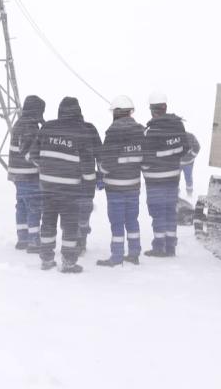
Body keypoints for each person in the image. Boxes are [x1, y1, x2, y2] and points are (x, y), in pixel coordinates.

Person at [26, 97, 100, 273]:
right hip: (70, 189)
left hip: (48, 187)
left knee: (48, 222)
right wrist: (89, 189)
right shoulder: (81, 131)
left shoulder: (47, 128)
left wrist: (47, 168)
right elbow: (88, 165)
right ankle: (68, 261)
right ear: (78, 111)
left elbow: (32, 155)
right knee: (70, 225)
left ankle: (46, 259)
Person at [95, 95, 145, 267]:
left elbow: (106, 163)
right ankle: (134, 253)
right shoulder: (140, 131)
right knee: (132, 220)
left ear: (115, 113)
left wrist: (101, 172)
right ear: (130, 112)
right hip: (133, 185)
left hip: (115, 187)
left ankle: (116, 256)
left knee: (117, 222)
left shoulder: (113, 132)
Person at [141, 90, 189, 257]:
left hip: (155, 181)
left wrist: (149, 167)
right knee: (170, 211)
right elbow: (185, 148)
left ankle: (159, 246)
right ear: (165, 107)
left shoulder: (149, 132)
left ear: (152, 110)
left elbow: (144, 157)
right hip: (173, 178)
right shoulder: (178, 126)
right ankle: (170, 246)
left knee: (158, 212)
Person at [7, 95, 46, 251]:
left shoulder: (19, 123)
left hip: (17, 175)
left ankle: (22, 238)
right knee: (34, 206)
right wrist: (42, 165)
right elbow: (28, 152)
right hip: (29, 174)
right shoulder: (30, 126)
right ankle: (34, 240)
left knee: (22, 205)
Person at [181, 131, 201, 197]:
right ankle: (176, 195)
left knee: (188, 178)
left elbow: (197, 147)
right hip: (176, 164)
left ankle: (189, 195)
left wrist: (190, 156)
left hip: (188, 163)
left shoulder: (190, 136)